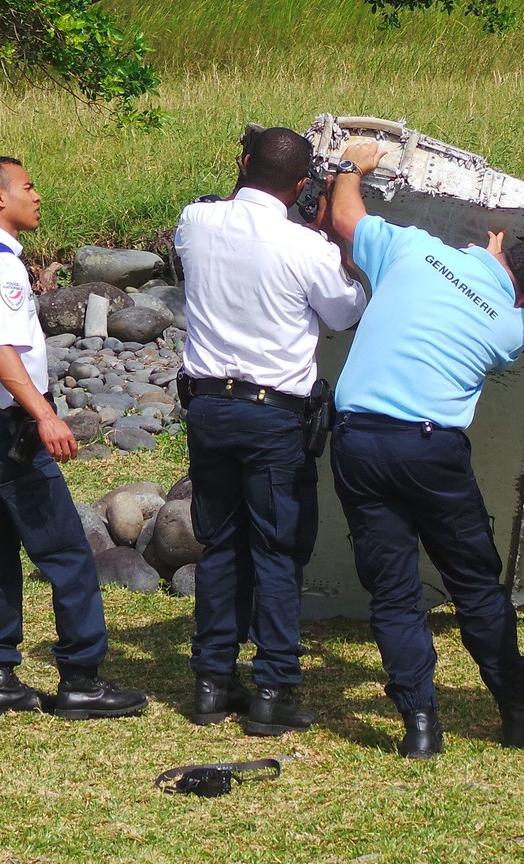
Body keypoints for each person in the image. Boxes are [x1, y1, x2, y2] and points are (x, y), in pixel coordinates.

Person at [326, 140, 524, 759]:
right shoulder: (511, 326)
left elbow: (344, 220)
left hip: (361, 440)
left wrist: (352, 166)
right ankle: (516, 712)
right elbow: (495, 301)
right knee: (475, 585)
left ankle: (419, 724)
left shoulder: (413, 250)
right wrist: (494, 273)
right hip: (434, 452)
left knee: (392, 588)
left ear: (503, 250)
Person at [0, 156, 146, 720]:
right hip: (7, 429)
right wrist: (43, 416)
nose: (37, 195)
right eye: (28, 186)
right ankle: (81, 678)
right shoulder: (2, 267)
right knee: (67, 552)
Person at [174, 127, 367, 736]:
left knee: (221, 544)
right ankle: (274, 687)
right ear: (303, 186)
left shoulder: (195, 223)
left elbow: (223, 216)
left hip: (207, 406)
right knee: (278, 551)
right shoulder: (304, 248)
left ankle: (211, 681)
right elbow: (345, 312)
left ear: (242, 165)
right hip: (273, 413)